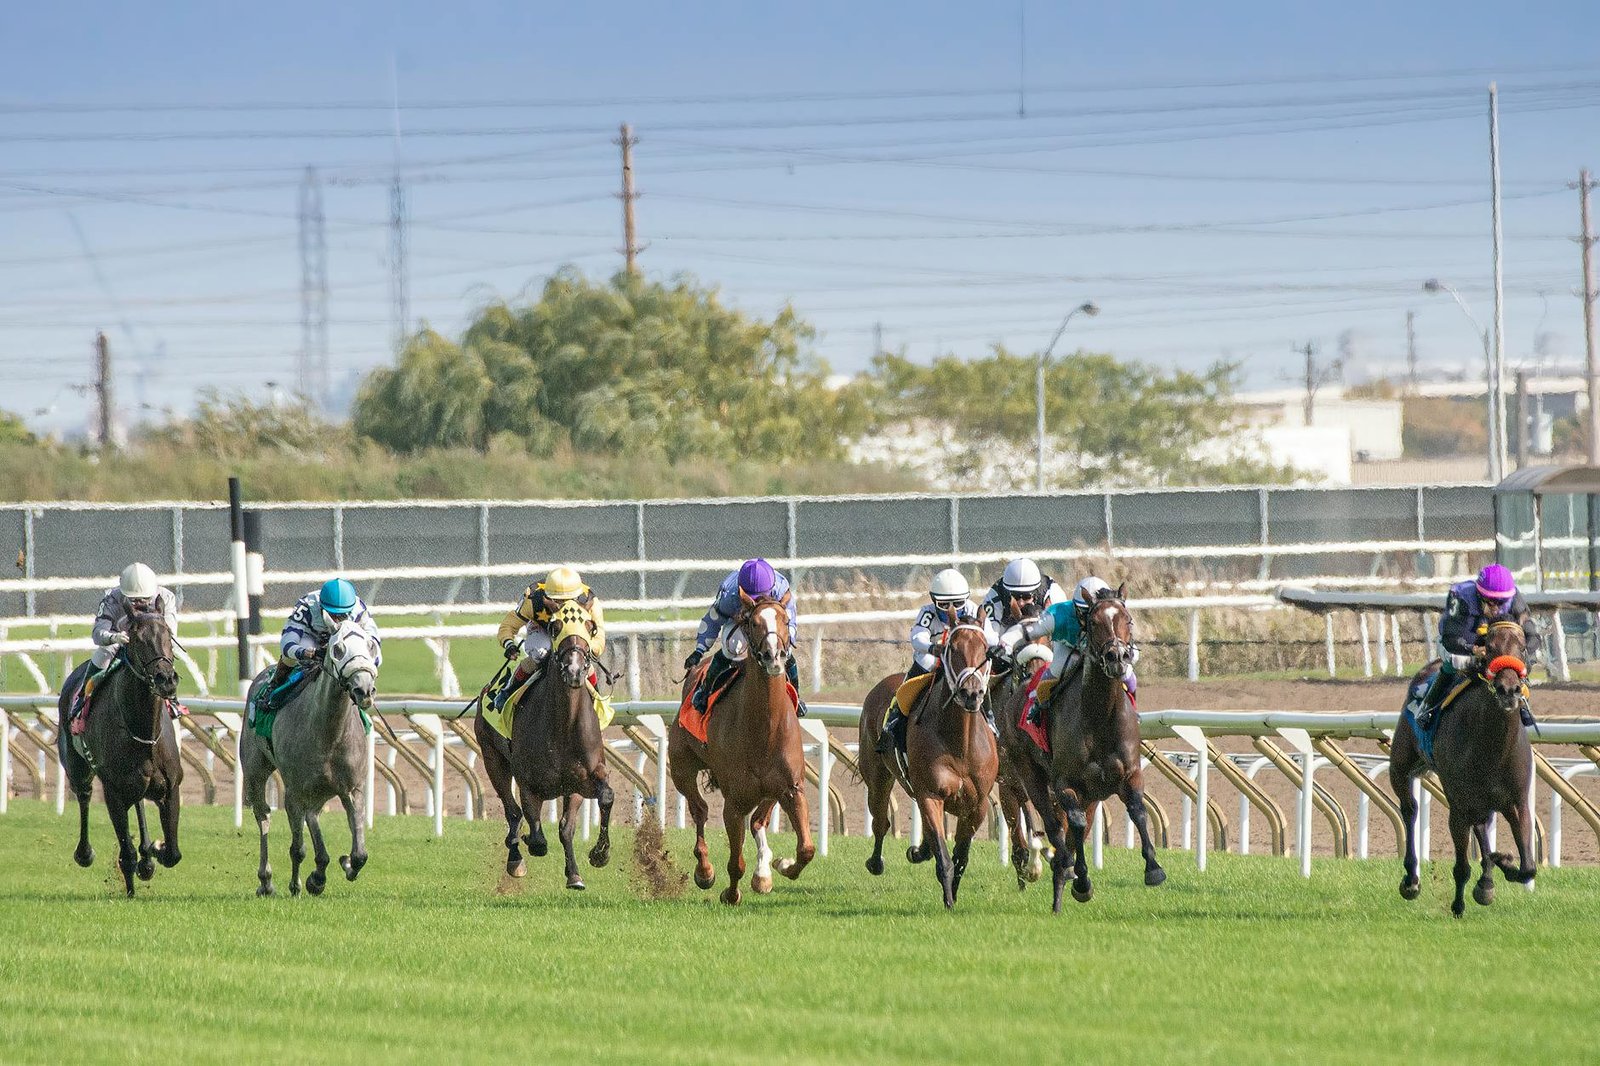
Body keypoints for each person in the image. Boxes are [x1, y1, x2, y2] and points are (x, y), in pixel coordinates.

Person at [1408, 563, 1540, 731]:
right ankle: (1428, 708)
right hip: (1460, 641)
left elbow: (1533, 637)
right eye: (1492, 603)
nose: (1497, 608)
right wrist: (1474, 650)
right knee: (1453, 663)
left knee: (1527, 661)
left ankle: (1523, 704)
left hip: (1495, 646)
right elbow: (1451, 639)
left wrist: (1520, 655)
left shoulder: (1514, 599)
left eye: (1502, 603)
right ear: (1480, 595)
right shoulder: (1461, 597)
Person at [876, 568, 993, 754]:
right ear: (933, 600)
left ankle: (990, 717)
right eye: (944, 604)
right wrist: (933, 648)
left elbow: (990, 637)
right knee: (910, 684)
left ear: (966, 599)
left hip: (961, 663)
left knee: (979, 680)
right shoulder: (927, 613)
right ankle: (894, 720)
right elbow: (917, 638)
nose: (952, 609)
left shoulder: (973, 609)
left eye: (957, 603)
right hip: (933, 657)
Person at [683, 558, 804, 715]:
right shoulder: (729, 594)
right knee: (733, 645)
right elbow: (712, 621)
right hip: (741, 621)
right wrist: (699, 650)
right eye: (751, 597)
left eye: (760, 596)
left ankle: (797, 698)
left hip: (769, 623)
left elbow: (789, 620)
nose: (755, 600)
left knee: (784, 650)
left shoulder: (781, 588)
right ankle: (705, 691)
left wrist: (788, 642)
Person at [70, 562, 179, 735]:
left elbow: (170, 630)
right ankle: (81, 703)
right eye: (134, 599)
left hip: (148, 643)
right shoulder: (112, 599)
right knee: (103, 654)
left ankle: (172, 699)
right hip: (120, 641)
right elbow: (98, 633)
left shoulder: (166, 597)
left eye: (144, 598)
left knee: (163, 653)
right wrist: (114, 637)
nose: (140, 603)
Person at [1014, 577, 1138, 711]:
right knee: (1057, 669)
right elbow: (1030, 632)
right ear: (1076, 608)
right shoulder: (1056, 616)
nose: (1088, 616)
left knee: (1128, 673)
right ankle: (1036, 706)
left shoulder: (1109, 615)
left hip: (1100, 646)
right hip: (1068, 646)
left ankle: (1133, 709)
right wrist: (1010, 642)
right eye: (1085, 612)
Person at [491, 566, 607, 711]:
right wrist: (509, 644)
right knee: (541, 653)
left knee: (582, 660)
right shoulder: (533, 598)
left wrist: (591, 649)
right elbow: (508, 625)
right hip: (543, 629)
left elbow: (599, 634)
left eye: (570, 600)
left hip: (572, 632)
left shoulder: (589, 600)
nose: (564, 606)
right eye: (558, 601)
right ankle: (508, 691)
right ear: (547, 596)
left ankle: (597, 699)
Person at [260, 578, 381, 705]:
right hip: (311, 639)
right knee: (290, 658)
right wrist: (306, 653)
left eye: (342, 615)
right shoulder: (307, 606)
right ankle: (274, 685)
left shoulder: (359, 611)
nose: (336, 619)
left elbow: (375, 649)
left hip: (342, 642)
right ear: (321, 606)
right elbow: (287, 644)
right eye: (332, 614)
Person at [980, 557, 1069, 661]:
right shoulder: (994, 595)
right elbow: (990, 638)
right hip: (1006, 641)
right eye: (1015, 596)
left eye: (1026, 596)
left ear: (1036, 594)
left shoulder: (1053, 592)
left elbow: (1063, 633)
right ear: (1007, 592)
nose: (1021, 603)